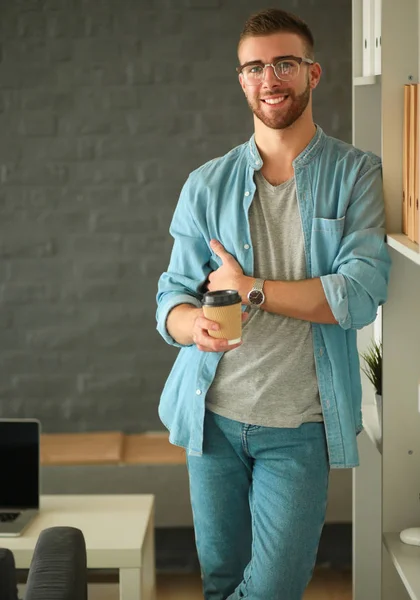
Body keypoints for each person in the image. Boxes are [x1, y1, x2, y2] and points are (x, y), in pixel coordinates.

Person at [156, 7, 391, 600]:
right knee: (220, 582)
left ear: (315, 73)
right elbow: (172, 297)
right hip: (213, 419)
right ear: (241, 79)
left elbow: (358, 295)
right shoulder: (205, 184)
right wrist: (193, 327)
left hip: (299, 427)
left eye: (284, 63)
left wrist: (251, 287)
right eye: (255, 67)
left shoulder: (357, 174)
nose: (270, 78)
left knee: (274, 590)